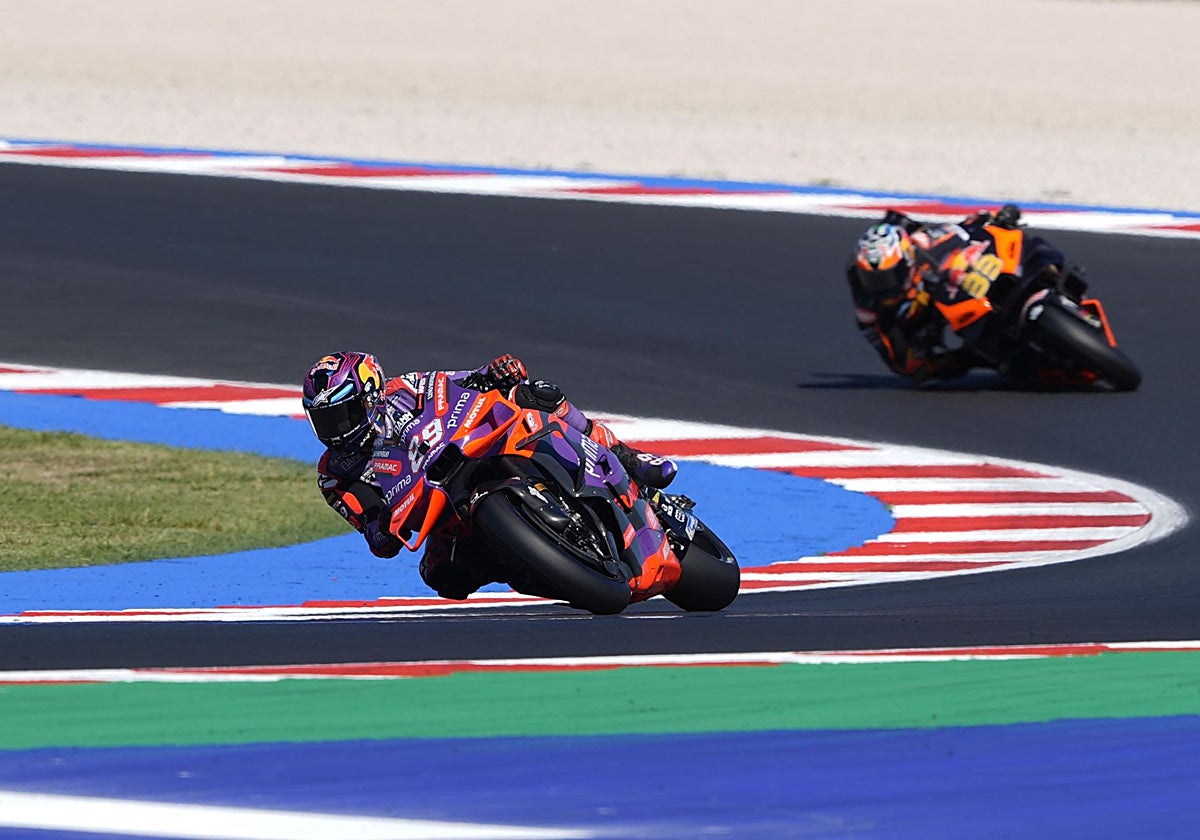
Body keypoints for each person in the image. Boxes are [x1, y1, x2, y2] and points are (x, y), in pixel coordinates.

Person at [301, 351, 678, 600]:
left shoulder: (407, 388)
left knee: (536, 394)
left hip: (475, 446)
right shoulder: (335, 474)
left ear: (369, 396)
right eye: (323, 420)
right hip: (442, 511)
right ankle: (537, 563)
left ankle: (628, 459)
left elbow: (465, 382)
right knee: (443, 577)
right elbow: (378, 539)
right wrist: (382, 524)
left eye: (342, 415)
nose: (335, 430)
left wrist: (494, 371)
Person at [846, 206, 1025, 383]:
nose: (882, 285)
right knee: (919, 370)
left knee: (986, 231)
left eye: (888, 276)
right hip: (918, 317)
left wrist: (992, 219)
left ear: (906, 261)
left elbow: (961, 229)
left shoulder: (920, 241)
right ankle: (987, 357)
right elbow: (894, 356)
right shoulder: (867, 305)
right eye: (872, 279)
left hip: (934, 280)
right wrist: (916, 358)